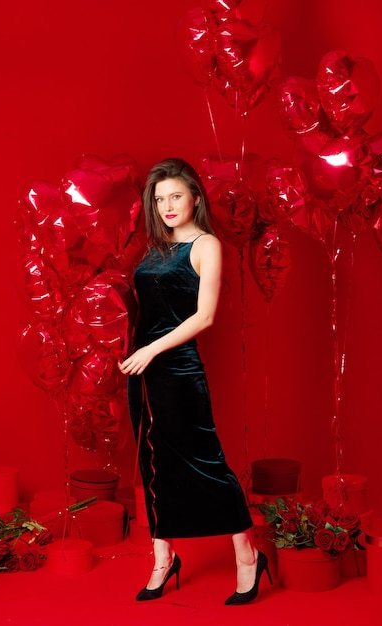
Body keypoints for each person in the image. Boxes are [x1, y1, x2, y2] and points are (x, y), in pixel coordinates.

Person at [118, 158, 272, 605]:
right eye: (159, 198)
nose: (166, 205)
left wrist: (150, 350)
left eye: (175, 196)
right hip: (141, 370)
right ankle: (163, 561)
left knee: (206, 461)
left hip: (178, 367)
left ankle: (247, 556)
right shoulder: (153, 246)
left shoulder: (206, 245)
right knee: (153, 464)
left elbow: (204, 316)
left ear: (196, 198)